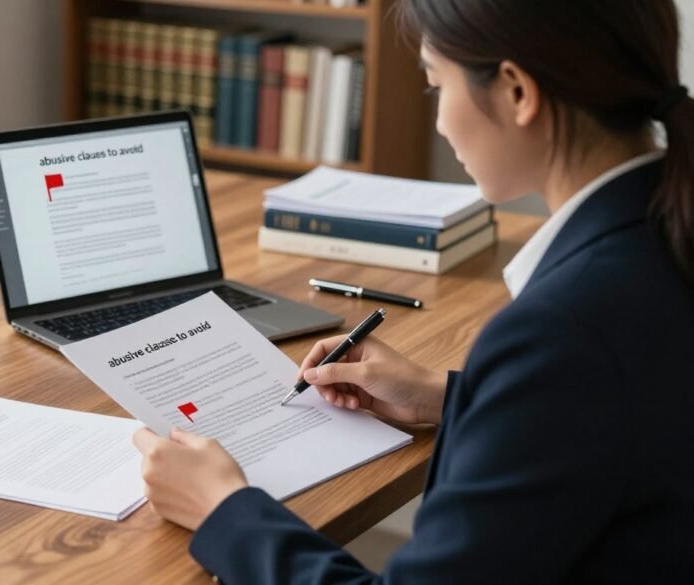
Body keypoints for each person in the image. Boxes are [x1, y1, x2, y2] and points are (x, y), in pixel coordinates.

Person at [131, 0, 694, 582]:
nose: (441, 122)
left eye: (435, 86)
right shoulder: (664, 236)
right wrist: (451, 398)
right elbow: (612, 415)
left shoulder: (562, 330)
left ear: (517, 92)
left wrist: (223, 510)